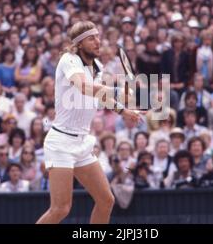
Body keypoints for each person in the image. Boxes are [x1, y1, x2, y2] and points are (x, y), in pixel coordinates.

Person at [36, 21, 142, 224]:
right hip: (61, 144)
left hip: (83, 143)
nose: (98, 41)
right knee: (60, 209)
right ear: (79, 43)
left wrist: (123, 110)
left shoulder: (98, 67)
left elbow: (100, 95)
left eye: (98, 37)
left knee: (106, 200)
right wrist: (120, 91)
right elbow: (84, 87)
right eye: (91, 38)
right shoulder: (69, 59)